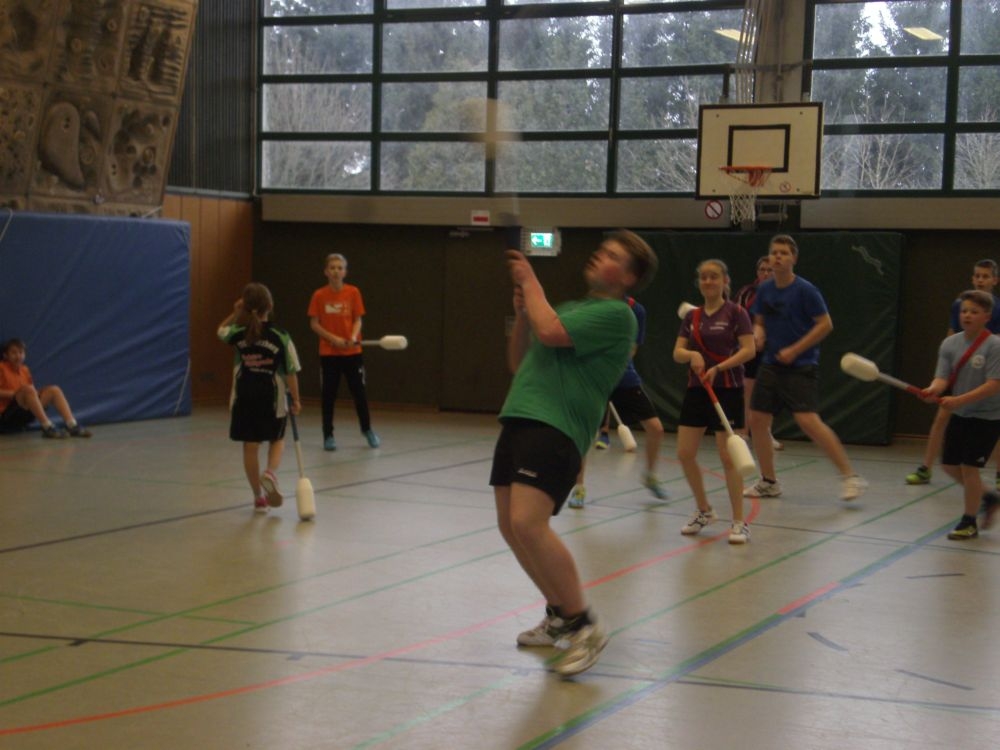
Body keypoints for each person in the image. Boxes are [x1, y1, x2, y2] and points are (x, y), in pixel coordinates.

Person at [492, 230, 658, 678]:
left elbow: (550, 332)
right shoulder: (569, 309)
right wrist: (522, 316)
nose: (600, 256)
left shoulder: (617, 316)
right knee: (510, 526)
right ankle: (560, 614)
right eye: (602, 250)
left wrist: (531, 281)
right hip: (521, 414)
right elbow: (519, 361)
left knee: (529, 522)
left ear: (629, 277)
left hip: (556, 424)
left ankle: (586, 623)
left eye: (613, 256)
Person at [744, 234, 867, 501]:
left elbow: (825, 325)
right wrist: (759, 333)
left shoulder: (806, 290)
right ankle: (768, 481)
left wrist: (795, 350)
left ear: (794, 259)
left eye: (783, 253)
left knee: (808, 421)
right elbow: (760, 321)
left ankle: (850, 477)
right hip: (770, 365)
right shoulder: (764, 290)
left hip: (800, 367)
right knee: (757, 421)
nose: (777, 257)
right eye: (774, 252)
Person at [673, 260, 756, 543]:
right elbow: (677, 352)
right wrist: (692, 355)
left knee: (728, 457)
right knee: (685, 453)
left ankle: (739, 522)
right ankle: (704, 510)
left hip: (728, 390)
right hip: (698, 390)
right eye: (704, 277)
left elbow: (749, 350)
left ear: (725, 281)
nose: (708, 281)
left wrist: (720, 368)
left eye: (714, 277)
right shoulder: (692, 317)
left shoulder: (737, 313)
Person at [905, 259, 1000, 487]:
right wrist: (940, 380)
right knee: (941, 418)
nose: (980, 280)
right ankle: (925, 468)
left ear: (995, 280)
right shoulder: (959, 304)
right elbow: (951, 334)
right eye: (977, 275)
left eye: (985, 276)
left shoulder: (997, 310)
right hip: (960, 375)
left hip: (988, 375)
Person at [569, 295, 669, 507]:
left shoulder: (636, 310)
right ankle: (578, 488)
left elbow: (632, 348)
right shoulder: (591, 307)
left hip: (625, 378)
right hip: (594, 378)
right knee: (583, 432)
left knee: (656, 429)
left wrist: (614, 366)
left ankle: (650, 475)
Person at [918, 290, 1000, 539]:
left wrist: (958, 400)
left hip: (987, 416)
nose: (967, 315)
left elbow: (993, 385)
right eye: (964, 311)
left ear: (987, 316)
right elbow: (942, 378)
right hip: (961, 413)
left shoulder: (995, 345)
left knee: (968, 468)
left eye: (974, 312)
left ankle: (969, 522)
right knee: (949, 465)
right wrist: (933, 389)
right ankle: (988, 496)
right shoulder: (949, 344)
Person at [218, 283, 302, 514]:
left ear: (245, 306)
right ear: (270, 306)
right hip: (271, 396)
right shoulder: (280, 336)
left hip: (244, 395)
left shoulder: (238, 333)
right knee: (277, 438)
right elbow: (291, 371)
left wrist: (235, 312)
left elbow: (220, 330)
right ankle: (270, 473)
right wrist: (296, 399)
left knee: (250, 445)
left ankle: (258, 498)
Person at [308, 253, 379, 451]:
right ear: (326, 271)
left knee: (359, 394)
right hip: (329, 354)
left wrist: (353, 336)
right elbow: (314, 324)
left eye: (340, 268)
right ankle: (328, 435)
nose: (336, 271)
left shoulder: (353, 292)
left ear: (345, 272)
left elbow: (358, 319)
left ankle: (367, 430)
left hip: (352, 353)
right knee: (328, 395)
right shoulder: (319, 295)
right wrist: (333, 339)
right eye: (332, 268)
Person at [733, 255, 782, 451]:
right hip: (749, 349)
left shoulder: (783, 293)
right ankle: (744, 432)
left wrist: (766, 337)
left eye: (770, 270)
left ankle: (766, 433)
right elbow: (736, 317)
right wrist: (749, 338)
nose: (766, 273)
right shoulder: (747, 292)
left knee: (769, 392)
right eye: (762, 270)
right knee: (747, 390)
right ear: (757, 272)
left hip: (773, 349)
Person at [0, 338, 92, 438]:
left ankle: (72, 425)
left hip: (24, 412)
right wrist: (15, 394)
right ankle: (47, 427)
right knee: (28, 389)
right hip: (6, 416)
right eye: (14, 353)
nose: (18, 356)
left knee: (54, 390)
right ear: (5, 355)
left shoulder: (25, 370)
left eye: (21, 352)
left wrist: (35, 394)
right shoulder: (1, 368)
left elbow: (30, 392)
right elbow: (25, 391)